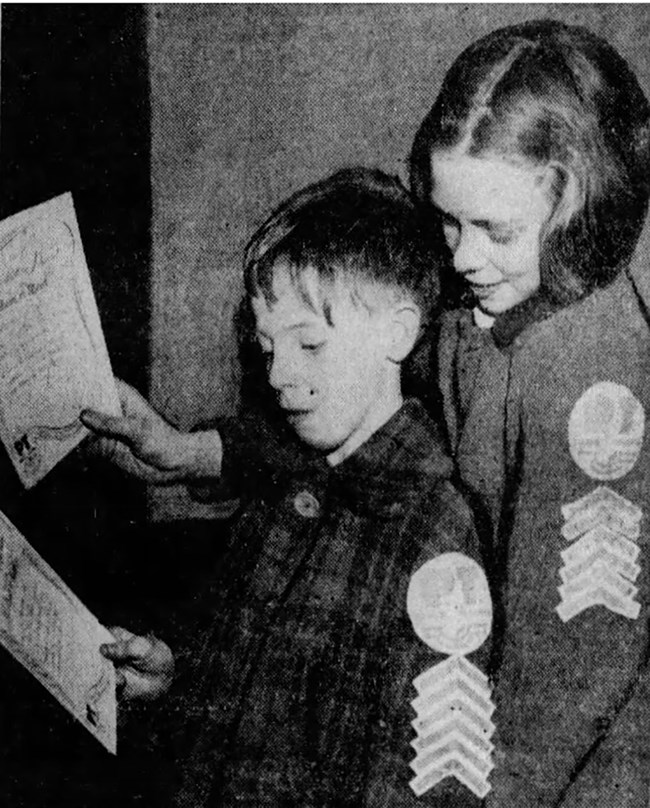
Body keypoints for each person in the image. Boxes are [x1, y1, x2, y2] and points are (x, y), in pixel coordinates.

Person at [83, 18, 650, 807]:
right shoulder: (490, 286)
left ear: (580, 206)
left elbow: (575, 675)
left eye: (493, 229)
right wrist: (197, 451)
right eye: (449, 219)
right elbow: (370, 436)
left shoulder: (600, 386)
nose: (459, 256)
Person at [88, 168, 492, 807]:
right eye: (267, 344)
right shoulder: (293, 482)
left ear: (399, 332)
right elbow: (245, 680)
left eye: (309, 342)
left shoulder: (436, 534)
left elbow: (430, 785)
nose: (279, 373)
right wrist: (175, 675)